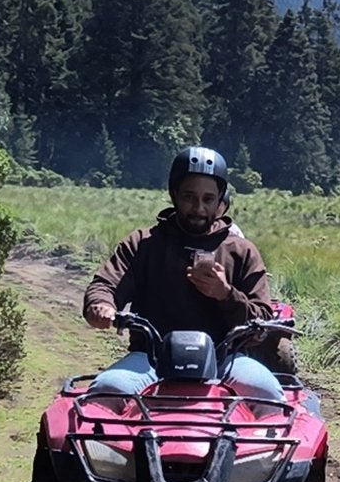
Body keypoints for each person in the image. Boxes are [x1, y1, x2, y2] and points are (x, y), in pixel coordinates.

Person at [82, 146, 287, 398]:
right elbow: (105, 285)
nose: (198, 208)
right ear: (174, 194)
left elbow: (262, 322)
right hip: (150, 360)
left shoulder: (242, 251)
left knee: (269, 394)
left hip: (225, 361)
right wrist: (101, 305)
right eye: (189, 197)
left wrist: (226, 294)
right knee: (106, 391)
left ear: (220, 199)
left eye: (208, 199)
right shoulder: (143, 244)